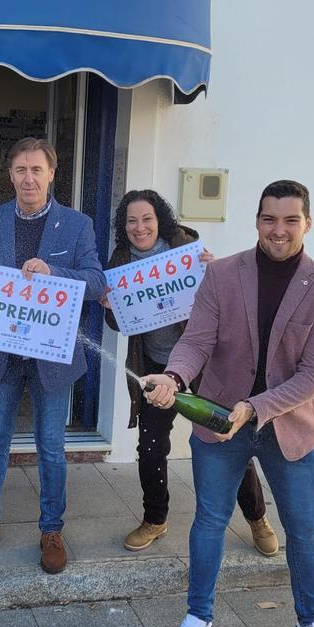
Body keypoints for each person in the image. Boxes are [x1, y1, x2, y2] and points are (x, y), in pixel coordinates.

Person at [141, 180, 314, 627]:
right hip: (219, 421)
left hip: (289, 430)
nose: (279, 230)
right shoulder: (223, 275)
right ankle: (198, 619)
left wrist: (256, 407)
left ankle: (310, 624)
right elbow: (197, 340)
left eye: (290, 220)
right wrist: (174, 377)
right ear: (257, 221)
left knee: (302, 530)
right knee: (209, 520)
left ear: (308, 224)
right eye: (269, 219)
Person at [0, 137, 104, 575]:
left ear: (53, 174)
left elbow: (95, 282)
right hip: (1, 355)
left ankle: (51, 529)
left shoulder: (76, 224)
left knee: (51, 447)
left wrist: (55, 272)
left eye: (37, 170)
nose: (28, 178)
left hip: (52, 357)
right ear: (10, 175)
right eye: (20, 170)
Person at [100, 190, 278, 556]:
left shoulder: (187, 250)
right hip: (153, 368)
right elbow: (117, 323)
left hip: (203, 365)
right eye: (132, 221)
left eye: (146, 219)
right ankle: (155, 519)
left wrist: (217, 274)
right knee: (150, 449)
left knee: (228, 439)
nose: (139, 227)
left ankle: (257, 518)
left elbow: (225, 301)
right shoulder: (119, 260)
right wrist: (111, 303)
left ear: (160, 220)